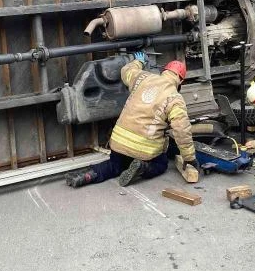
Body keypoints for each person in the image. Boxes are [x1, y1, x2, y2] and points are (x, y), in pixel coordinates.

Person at [65, 53, 198, 188]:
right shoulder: (175, 98)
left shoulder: (143, 77)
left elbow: (126, 71)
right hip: (145, 149)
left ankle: (85, 176)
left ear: (164, 71)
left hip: (119, 142)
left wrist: (138, 61)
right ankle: (143, 167)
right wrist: (189, 158)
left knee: (115, 166)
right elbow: (182, 131)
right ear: (181, 81)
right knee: (161, 164)